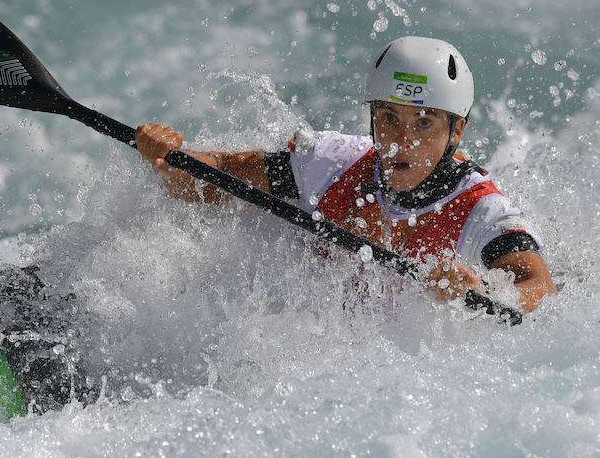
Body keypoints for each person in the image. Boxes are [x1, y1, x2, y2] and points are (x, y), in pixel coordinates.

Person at [135, 36, 556, 313]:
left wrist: (481, 289)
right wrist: (170, 158)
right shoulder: (333, 164)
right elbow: (213, 180)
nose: (400, 140)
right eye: (389, 117)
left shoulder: (483, 211)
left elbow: (539, 288)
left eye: (424, 123)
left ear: (456, 131)